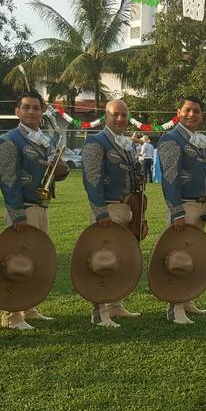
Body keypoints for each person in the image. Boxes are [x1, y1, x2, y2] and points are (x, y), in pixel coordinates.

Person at [0, 90, 69, 330]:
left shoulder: (45, 140)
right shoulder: (10, 140)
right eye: (26, 107)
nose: (31, 112)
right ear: (17, 112)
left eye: (36, 108)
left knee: (34, 260)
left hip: (41, 206)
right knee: (16, 261)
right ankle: (11, 314)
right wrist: (17, 214)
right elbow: (8, 180)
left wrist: (61, 169)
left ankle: (29, 307)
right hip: (23, 208)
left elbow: (57, 174)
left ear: (41, 112)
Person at [80, 99, 143, 327]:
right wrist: (100, 212)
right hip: (107, 207)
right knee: (102, 259)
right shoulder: (96, 142)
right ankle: (100, 312)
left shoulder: (125, 144)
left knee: (121, 258)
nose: (120, 119)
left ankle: (116, 305)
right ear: (105, 116)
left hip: (126, 207)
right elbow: (92, 179)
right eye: (115, 114)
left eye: (124, 115)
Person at [157, 95, 206, 323]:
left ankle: (187, 300)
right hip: (184, 206)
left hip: (199, 204)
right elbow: (169, 179)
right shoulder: (171, 139)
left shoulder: (199, 141)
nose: (192, 115)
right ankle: (175, 307)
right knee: (178, 257)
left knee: (193, 256)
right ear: (178, 111)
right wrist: (176, 211)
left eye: (197, 111)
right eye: (188, 110)